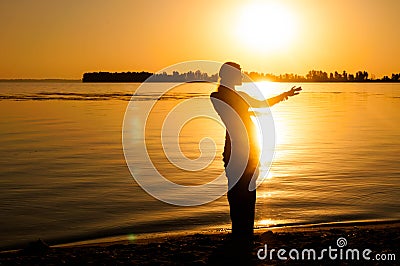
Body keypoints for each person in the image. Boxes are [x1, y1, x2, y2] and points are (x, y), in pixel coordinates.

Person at [210, 62, 301, 247]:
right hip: (237, 152)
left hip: (249, 150)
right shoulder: (218, 96)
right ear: (230, 76)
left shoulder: (235, 96)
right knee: (237, 194)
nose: (243, 77)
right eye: (239, 74)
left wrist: (284, 95)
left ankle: (244, 234)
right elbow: (237, 109)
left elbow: (261, 105)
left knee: (246, 193)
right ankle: (240, 233)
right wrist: (250, 112)